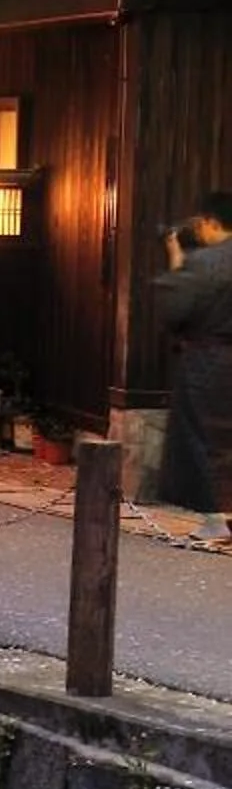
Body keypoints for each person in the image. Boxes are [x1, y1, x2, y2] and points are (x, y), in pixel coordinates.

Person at [154, 193, 232, 537]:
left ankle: (214, 519)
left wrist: (175, 255)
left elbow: (175, 308)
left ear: (210, 222)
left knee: (203, 434)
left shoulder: (204, 262)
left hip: (209, 359)